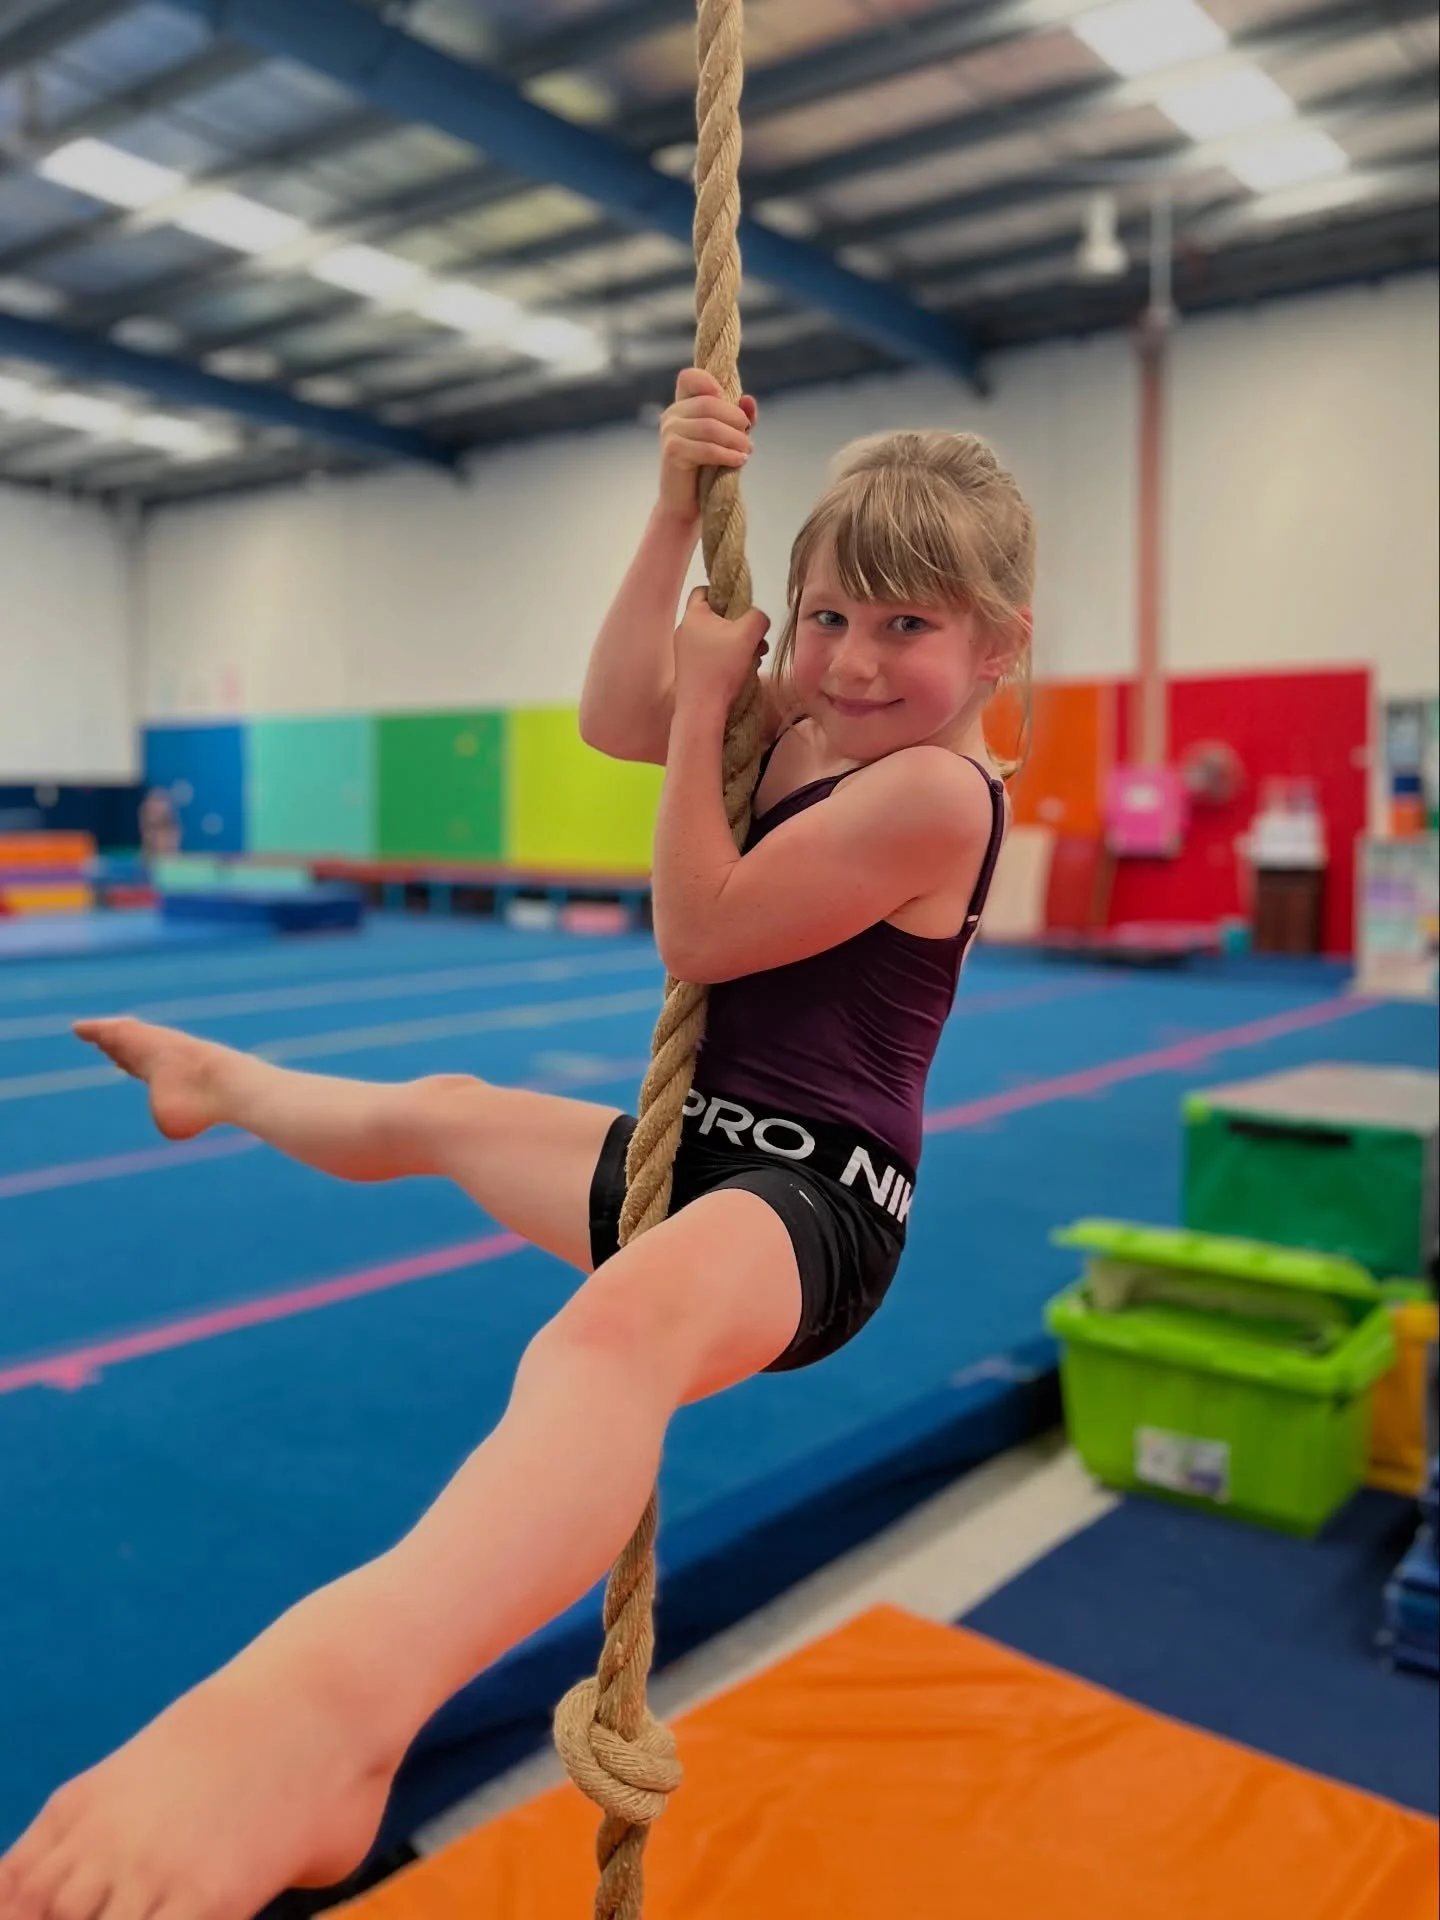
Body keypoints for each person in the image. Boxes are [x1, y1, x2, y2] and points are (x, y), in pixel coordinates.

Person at [0, 369, 1033, 1920]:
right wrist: (674, 510)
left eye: (906, 627)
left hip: (816, 1206)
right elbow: (617, 713)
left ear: (994, 650)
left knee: (607, 1336)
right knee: (449, 1109)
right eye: (827, 617)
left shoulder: (941, 794)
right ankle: (219, 1083)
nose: (852, 659)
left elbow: (699, 921)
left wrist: (711, 704)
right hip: (697, 1156)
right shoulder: (795, 726)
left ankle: (335, 1716)